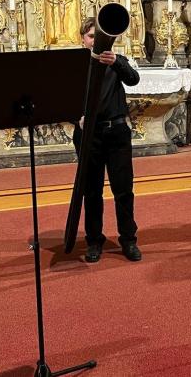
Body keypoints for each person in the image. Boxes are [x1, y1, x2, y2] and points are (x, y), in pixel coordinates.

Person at [73, 17, 141, 262]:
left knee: (123, 190)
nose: (95, 40)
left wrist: (117, 63)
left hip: (117, 134)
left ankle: (129, 240)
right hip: (89, 135)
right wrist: (76, 118)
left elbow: (134, 79)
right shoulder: (77, 65)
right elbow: (64, 98)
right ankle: (94, 241)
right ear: (83, 40)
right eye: (91, 36)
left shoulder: (116, 60)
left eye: (98, 36)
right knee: (92, 192)